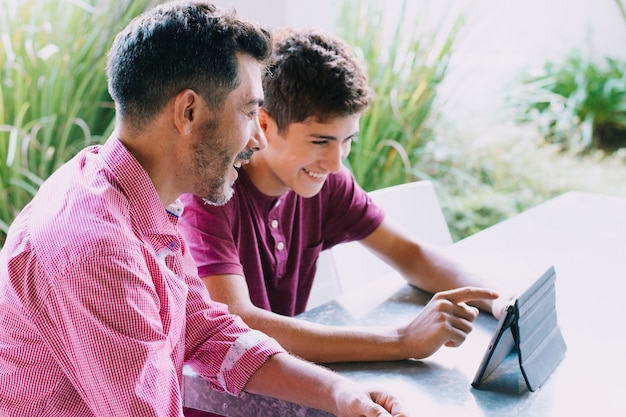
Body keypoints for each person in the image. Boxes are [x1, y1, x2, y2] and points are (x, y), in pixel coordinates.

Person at [0, 3, 407, 416]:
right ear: (189, 111)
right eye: (250, 112)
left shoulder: (125, 193)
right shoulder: (99, 251)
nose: (259, 140)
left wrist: (338, 392)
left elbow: (205, 330)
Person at [179, 27, 507, 364]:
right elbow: (240, 323)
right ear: (263, 124)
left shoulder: (324, 182)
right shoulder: (210, 192)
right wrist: (402, 341)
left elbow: (410, 254)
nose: (336, 164)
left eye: (348, 140)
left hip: (290, 382)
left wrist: (499, 301)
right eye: (320, 142)